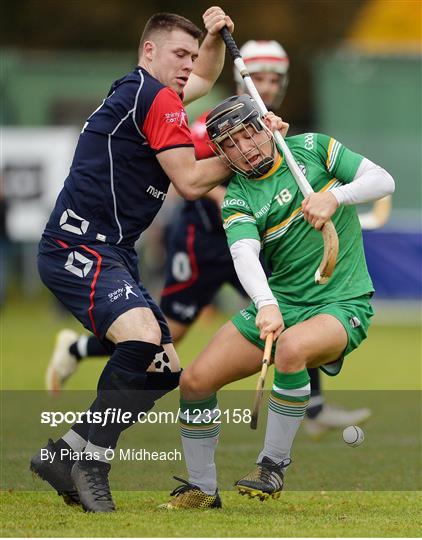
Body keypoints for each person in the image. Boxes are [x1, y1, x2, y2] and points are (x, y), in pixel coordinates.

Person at [30, 8, 286, 514]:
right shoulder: (153, 97)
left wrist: (212, 36)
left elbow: (211, 77)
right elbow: (190, 182)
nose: (191, 65)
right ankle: (93, 463)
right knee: (145, 339)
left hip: (111, 251)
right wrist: (259, 147)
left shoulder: (151, 93)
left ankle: (66, 452)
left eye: (193, 54)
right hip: (77, 246)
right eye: (180, 54)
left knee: (164, 366)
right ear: (149, 51)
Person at [46, 40, 371, 437]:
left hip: (246, 241)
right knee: (169, 334)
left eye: (274, 79)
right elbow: (193, 178)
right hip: (202, 241)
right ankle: (77, 352)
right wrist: (242, 178)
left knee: (287, 311)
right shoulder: (205, 123)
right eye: (260, 77)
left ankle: (311, 406)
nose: (266, 86)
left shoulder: (273, 127)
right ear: (242, 76)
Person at [158, 93, 395, 509]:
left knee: (291, 348)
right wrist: (265, 303)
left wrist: (333, 197)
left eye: (247, 134)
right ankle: (201, 488)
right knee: (194, 383)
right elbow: (244, 252)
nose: (243, 148)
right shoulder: (237, 196)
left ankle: (271, 465)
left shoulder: (314, 148)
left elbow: (382, 180)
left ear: (267, 126)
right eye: (229, 144)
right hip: (282, 300)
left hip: (342, 302)